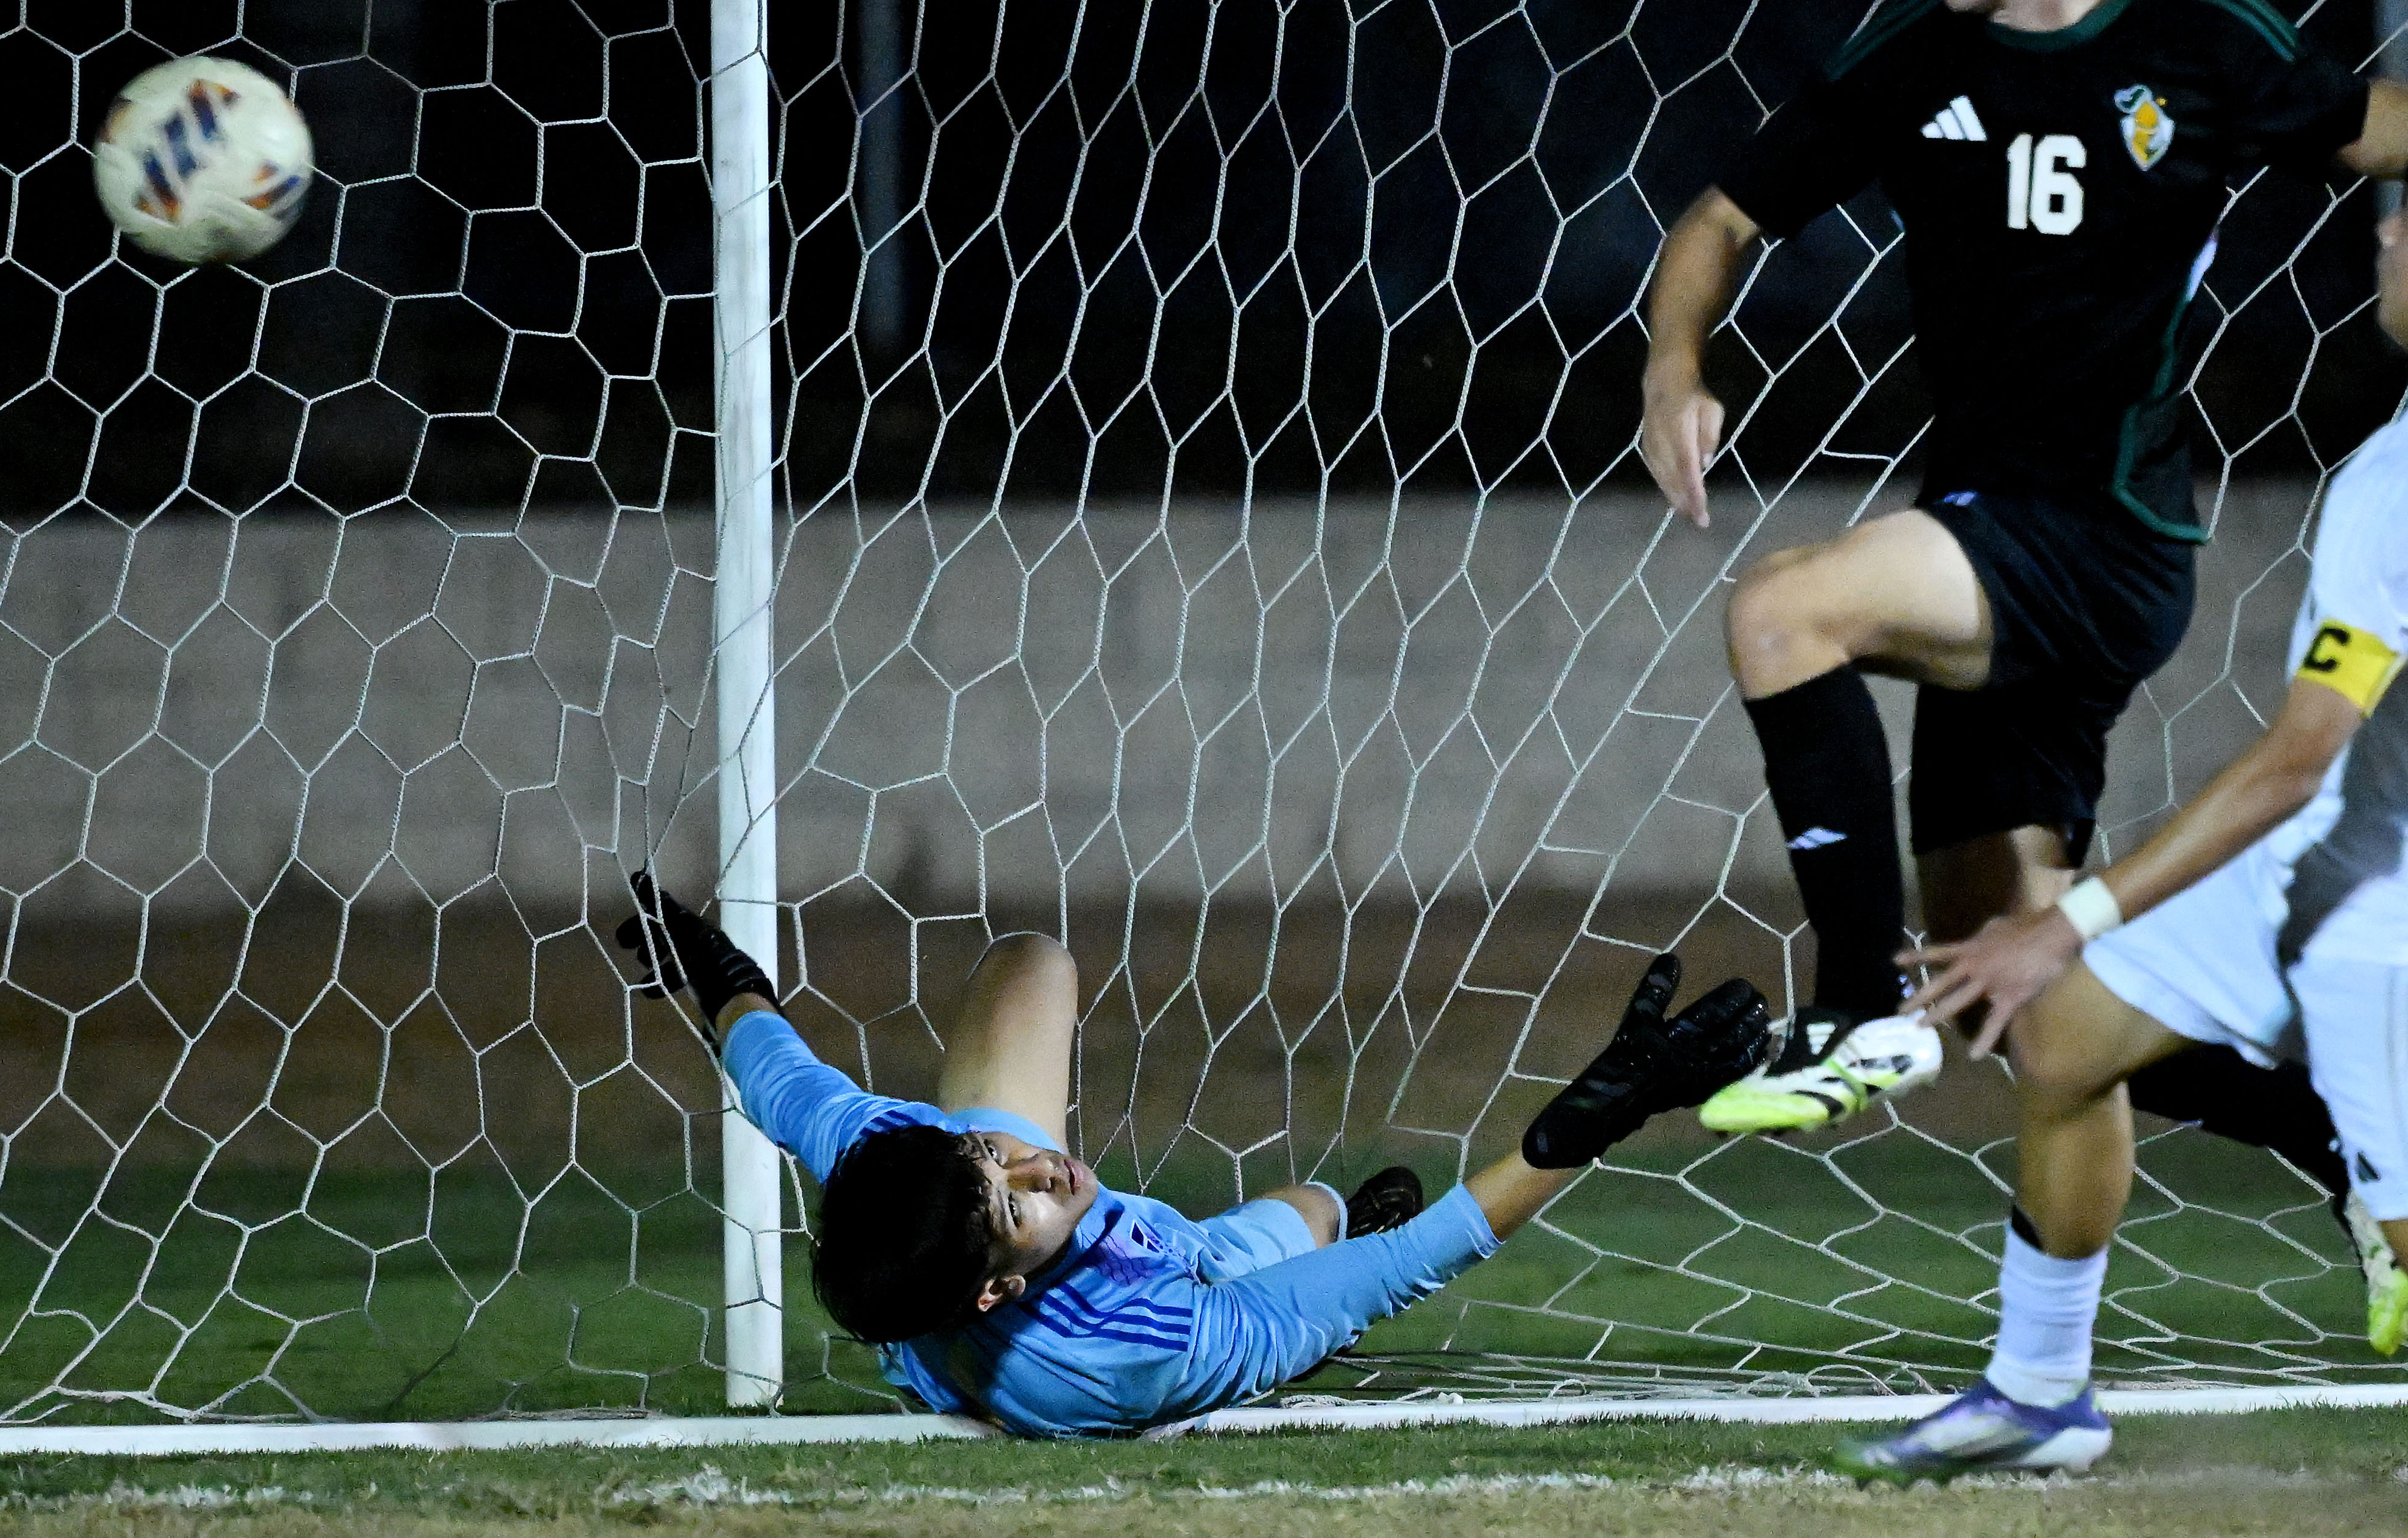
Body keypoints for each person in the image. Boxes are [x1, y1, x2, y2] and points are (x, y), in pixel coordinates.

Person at [1637, 0, 2408, 1148]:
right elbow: (1718, 217)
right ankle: (2349, 1149)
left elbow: (2382, 127)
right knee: (2026, 1004)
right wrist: (1670, 364)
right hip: (1983, 530)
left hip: (2107, 535)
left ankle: (1856, 1011)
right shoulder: (1914, 52)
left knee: (1781, 610)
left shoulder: (2195, 41)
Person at [1835, 204, 2408, 1481]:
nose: (2381, 234)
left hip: (2372, 906)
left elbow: (2292, 755)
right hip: (2319, 863)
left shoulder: (2391, 489)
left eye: (2407, 223)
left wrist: (2065, 917)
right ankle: (2041, 1390)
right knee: (2060, 1033)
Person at [613, 873, 1773, 1437]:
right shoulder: (1139, 1352)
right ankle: (1311, 1294)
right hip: (1189, 1285)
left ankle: (1308, 1228)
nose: (1038, 1168)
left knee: (1034, 959)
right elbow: (1427, 1252)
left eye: (993, 1156)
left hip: (1072, 1266)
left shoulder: (903, 1164)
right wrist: (1601, 1112)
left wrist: (714, 971)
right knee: (1331, 1235)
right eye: (1013, 1204)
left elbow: (780, 1079)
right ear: (997, 1285)